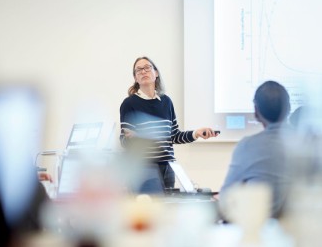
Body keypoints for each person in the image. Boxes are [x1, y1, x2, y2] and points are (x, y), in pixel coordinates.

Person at [119, 56, 216, 189]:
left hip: (168, 169)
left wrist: (196, 133)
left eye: (147, 67)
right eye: (138, 70)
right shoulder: (129, 104)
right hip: (144, 169)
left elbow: (174, 136)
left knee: (167, 208)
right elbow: (124, 140)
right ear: (135, 78)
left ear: (156, 73)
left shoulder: (166, 102)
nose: (143, 71)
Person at [220, 81, 290, 218]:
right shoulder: (306, 144)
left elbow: (226, 199)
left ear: (256, 112)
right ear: (288, 108)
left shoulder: (247, 146)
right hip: (301, 232)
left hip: (261, 231)